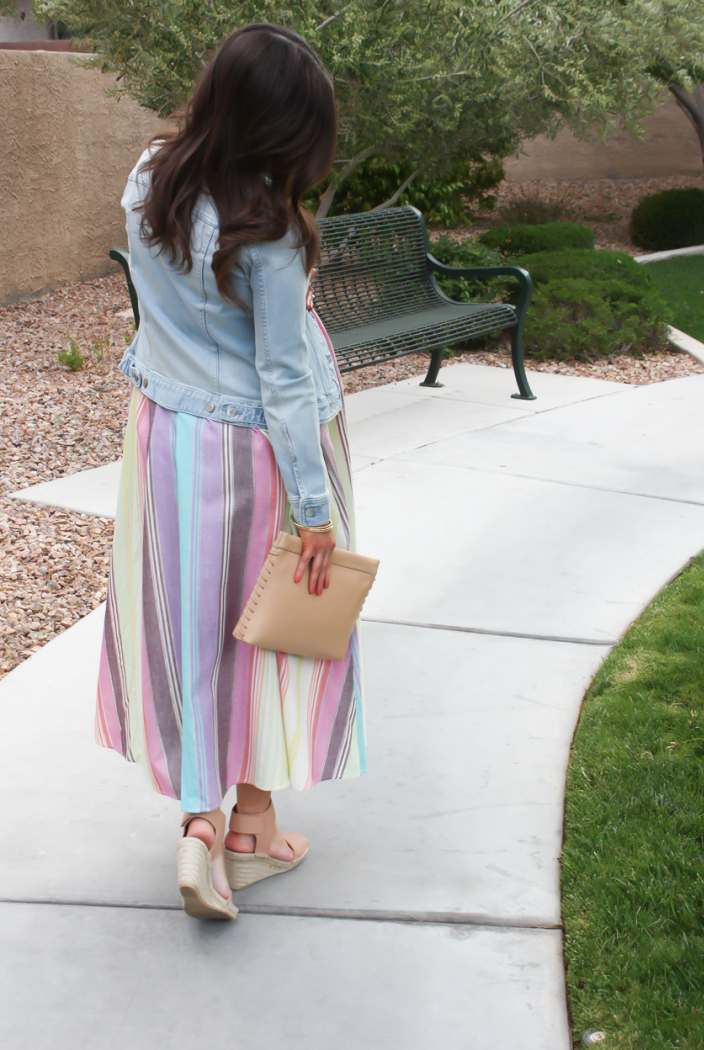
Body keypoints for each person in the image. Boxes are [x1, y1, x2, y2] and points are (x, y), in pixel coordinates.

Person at [96, 24, 366, 921]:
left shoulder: (148, 178)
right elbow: (286, 385)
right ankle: (250, 825)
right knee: (273, 626)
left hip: (166, 441)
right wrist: (317, 512)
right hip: (258, 459)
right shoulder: (270, 231)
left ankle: (201, 822)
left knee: (190, 624)